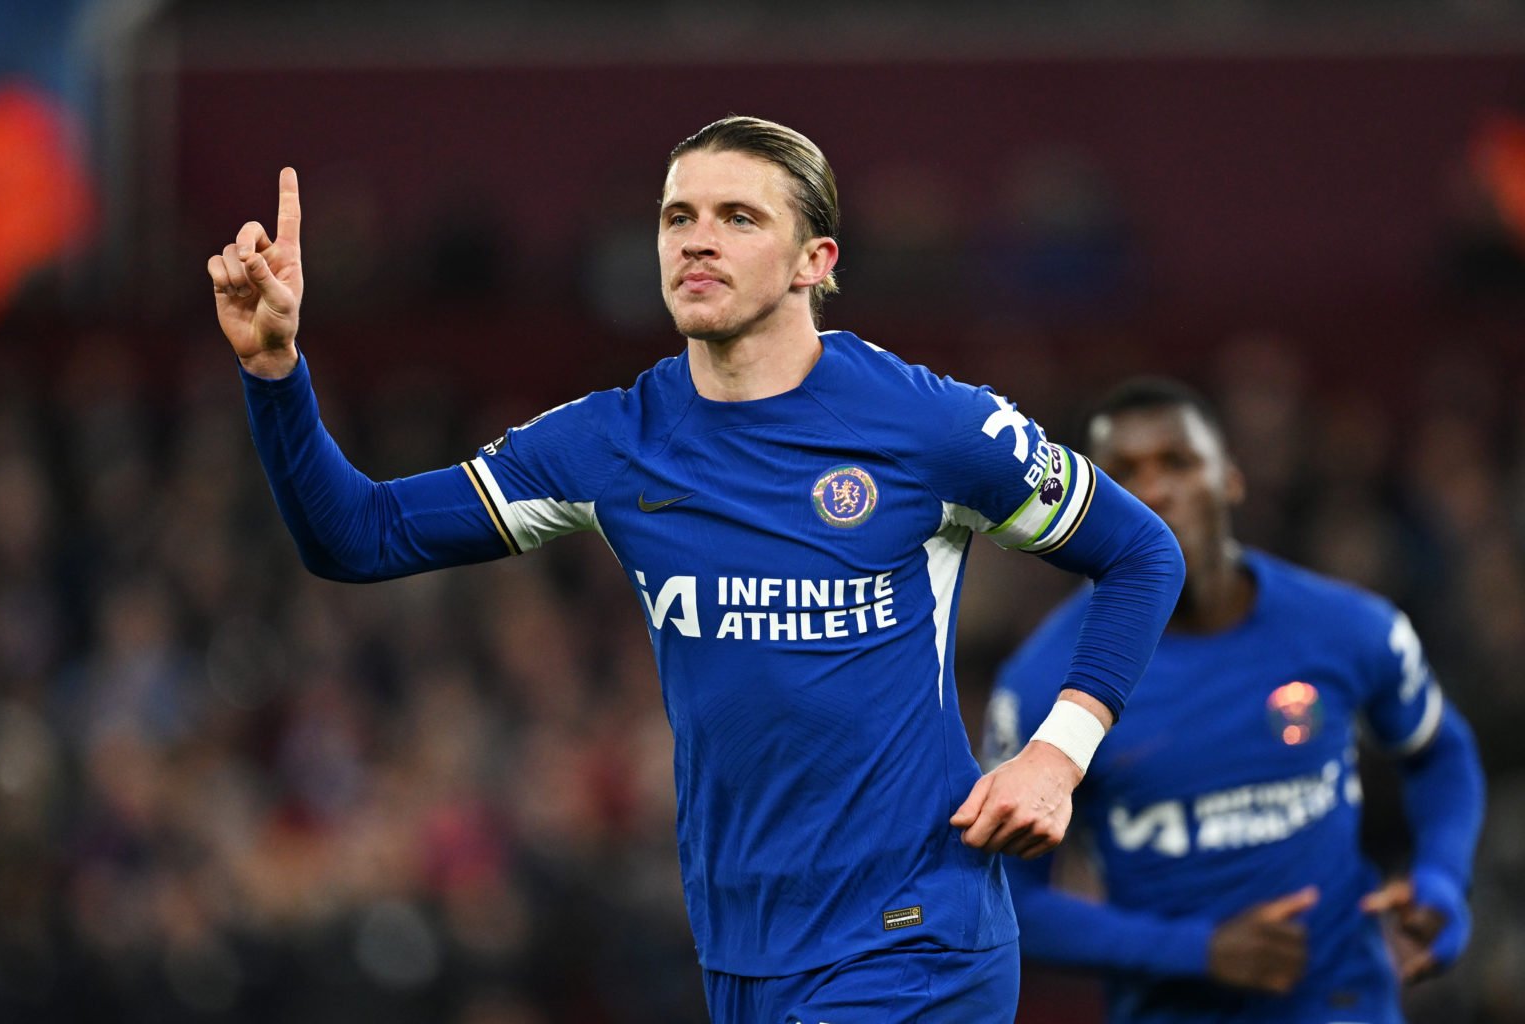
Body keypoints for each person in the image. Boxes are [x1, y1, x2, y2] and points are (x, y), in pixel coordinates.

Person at [206, 115, 1185, 1022]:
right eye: (678, 215)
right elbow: (359, 536)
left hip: (915, 936)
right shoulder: (614, 441)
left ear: (815, 260)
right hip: (744, 948)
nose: (696, 238)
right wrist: (276, 377)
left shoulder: (928, 425)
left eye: (737, 216)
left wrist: (1058, 755)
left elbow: (1142, 551)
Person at [982, 377, 1486, 1024]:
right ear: (1087, 508)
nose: (1156, 490)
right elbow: (1008, 901)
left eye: (1179, 463)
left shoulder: (1348, 628)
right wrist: (1198, 952)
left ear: (1231, 479)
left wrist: (1442, 879)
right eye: (1124, 474)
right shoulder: (1044, 683)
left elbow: (1441, 750)